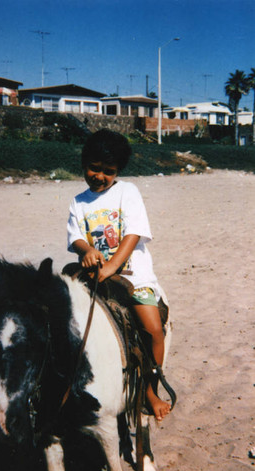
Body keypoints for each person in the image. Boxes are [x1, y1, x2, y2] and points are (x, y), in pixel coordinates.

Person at [67, 129, 171, 421]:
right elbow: (75, 237)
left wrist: (112, 266)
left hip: (132, 275)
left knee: (153, 329)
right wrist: (86, 249)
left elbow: (133, 233)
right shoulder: (78, 202)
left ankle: (151, 390)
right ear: (84, 163)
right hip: (92, 275)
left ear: (118, 172)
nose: (100, 176)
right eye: (94, 168)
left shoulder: (127, 192)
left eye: (108, 171)